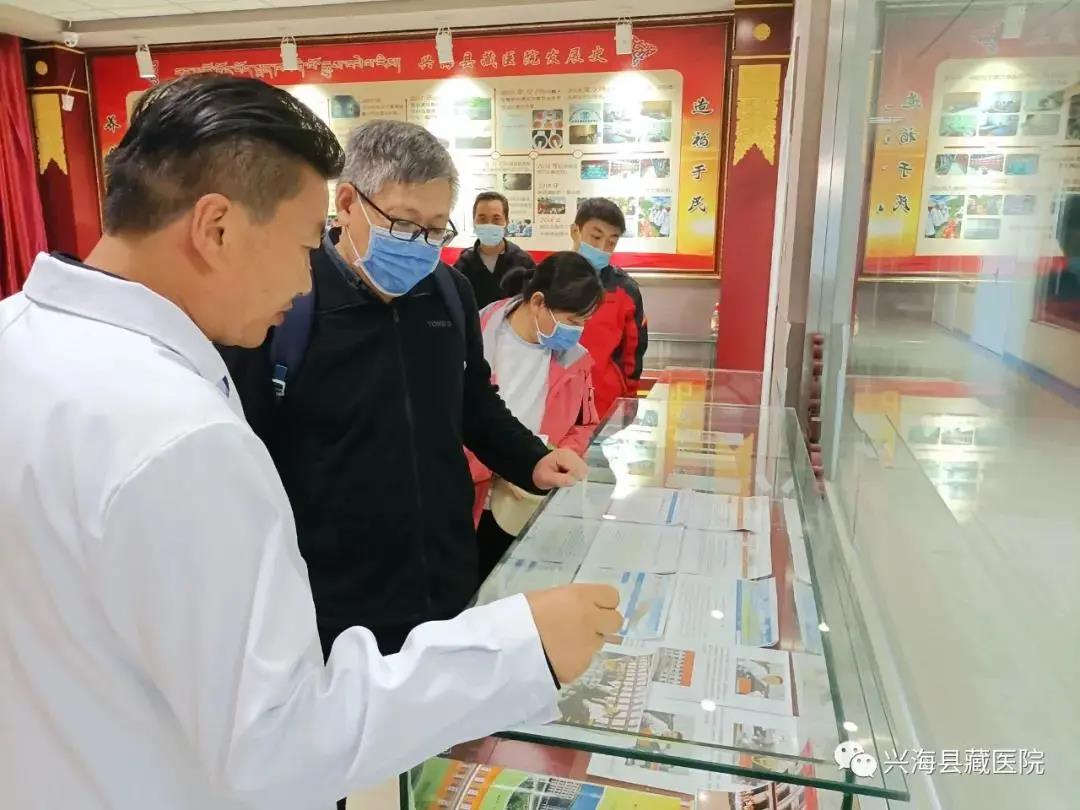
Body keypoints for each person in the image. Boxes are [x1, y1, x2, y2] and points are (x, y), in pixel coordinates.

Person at [0, 75, 623, 810]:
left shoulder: (21, 337)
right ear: (216, 227)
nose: (304, 279)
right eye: (303, 245)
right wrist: (520, 649)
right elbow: (276, 742)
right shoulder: (182, 435)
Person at [220, 118, 588, 660]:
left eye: (437, 229)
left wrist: (531, 459)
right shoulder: (287, 299)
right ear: (348, 203)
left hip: (445, 570)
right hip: (331, 596)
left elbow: (472, 399)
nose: (421, 245)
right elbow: (243, 447)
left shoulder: (449, 293)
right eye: (405, 224)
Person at [468, 251, 605, 580]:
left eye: (585, 322)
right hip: (469, 499)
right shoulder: (476, 336)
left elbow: (583, 424)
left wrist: (558, 459)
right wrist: (509, 464)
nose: (579, 331)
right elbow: (458, 416)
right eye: (574, 321)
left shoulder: (575, 361)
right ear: (539, 302)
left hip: (527, 503)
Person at [572, 198, 649, 417]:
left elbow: (634, 350)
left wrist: (629, 400)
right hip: (553, 398)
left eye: (611, 242)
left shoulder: (625, 290)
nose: (602, 248)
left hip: (605, 402)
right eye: (596, 237)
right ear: (575, 232)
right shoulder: (549, 279)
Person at [454, 190, 536, 308]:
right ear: (474, 222)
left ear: (507, 221)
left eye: (496, 219)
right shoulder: (463, 264)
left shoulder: (523, 262)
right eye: (482, 219)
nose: (489, 224)